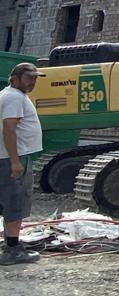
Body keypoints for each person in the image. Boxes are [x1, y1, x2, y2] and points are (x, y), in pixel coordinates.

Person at [0, 62, 45, 266]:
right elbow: (8, 129)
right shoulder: (13, 97)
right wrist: (16, 162)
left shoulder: (10, 95)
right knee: (15, 203)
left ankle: (10, 244)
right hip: (13, 158)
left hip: (9, 157)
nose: (33, 81)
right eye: (29, 77)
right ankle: (12, 250)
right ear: (15, 78)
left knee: (9, 202)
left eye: (35, 78)